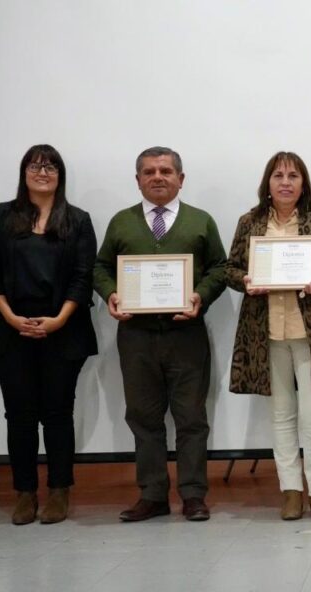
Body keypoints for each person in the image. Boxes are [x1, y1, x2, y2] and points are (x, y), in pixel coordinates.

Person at [94, 146, 227, 522]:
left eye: (166, 171)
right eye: (149, 171)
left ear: (180, 179)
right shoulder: (121, 222)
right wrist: (110, 293)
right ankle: (152, 495)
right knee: (143, 417)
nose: (157, 177)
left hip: (186, 336)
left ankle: (193, 495)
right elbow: (100, 267)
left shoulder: (201, 221)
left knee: (191, 418)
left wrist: (201, 295)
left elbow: (220, 267)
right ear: (137, 180)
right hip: (136, 337)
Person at [226, 152, 311, 521]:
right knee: (281, 414)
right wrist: (245, 281)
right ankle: (291, 492)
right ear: (267, 182)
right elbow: (230, 269)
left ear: (303, 182)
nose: (285, 182)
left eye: (293, 176)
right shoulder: (250, 222)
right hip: (266, 332)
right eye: (278, 175)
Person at [0, 144, 98, 525]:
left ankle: (59, 492)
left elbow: (84, 276)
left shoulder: (77, 220)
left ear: (60, 176)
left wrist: (59, 319)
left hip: (64, 331)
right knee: (20, 415)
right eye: (35, 166)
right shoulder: (1, 216)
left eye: (50, 167)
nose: (42, 172)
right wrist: (11, 317)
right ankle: (24, 493)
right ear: (23, 172)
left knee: (58, 414)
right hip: (10, 331)